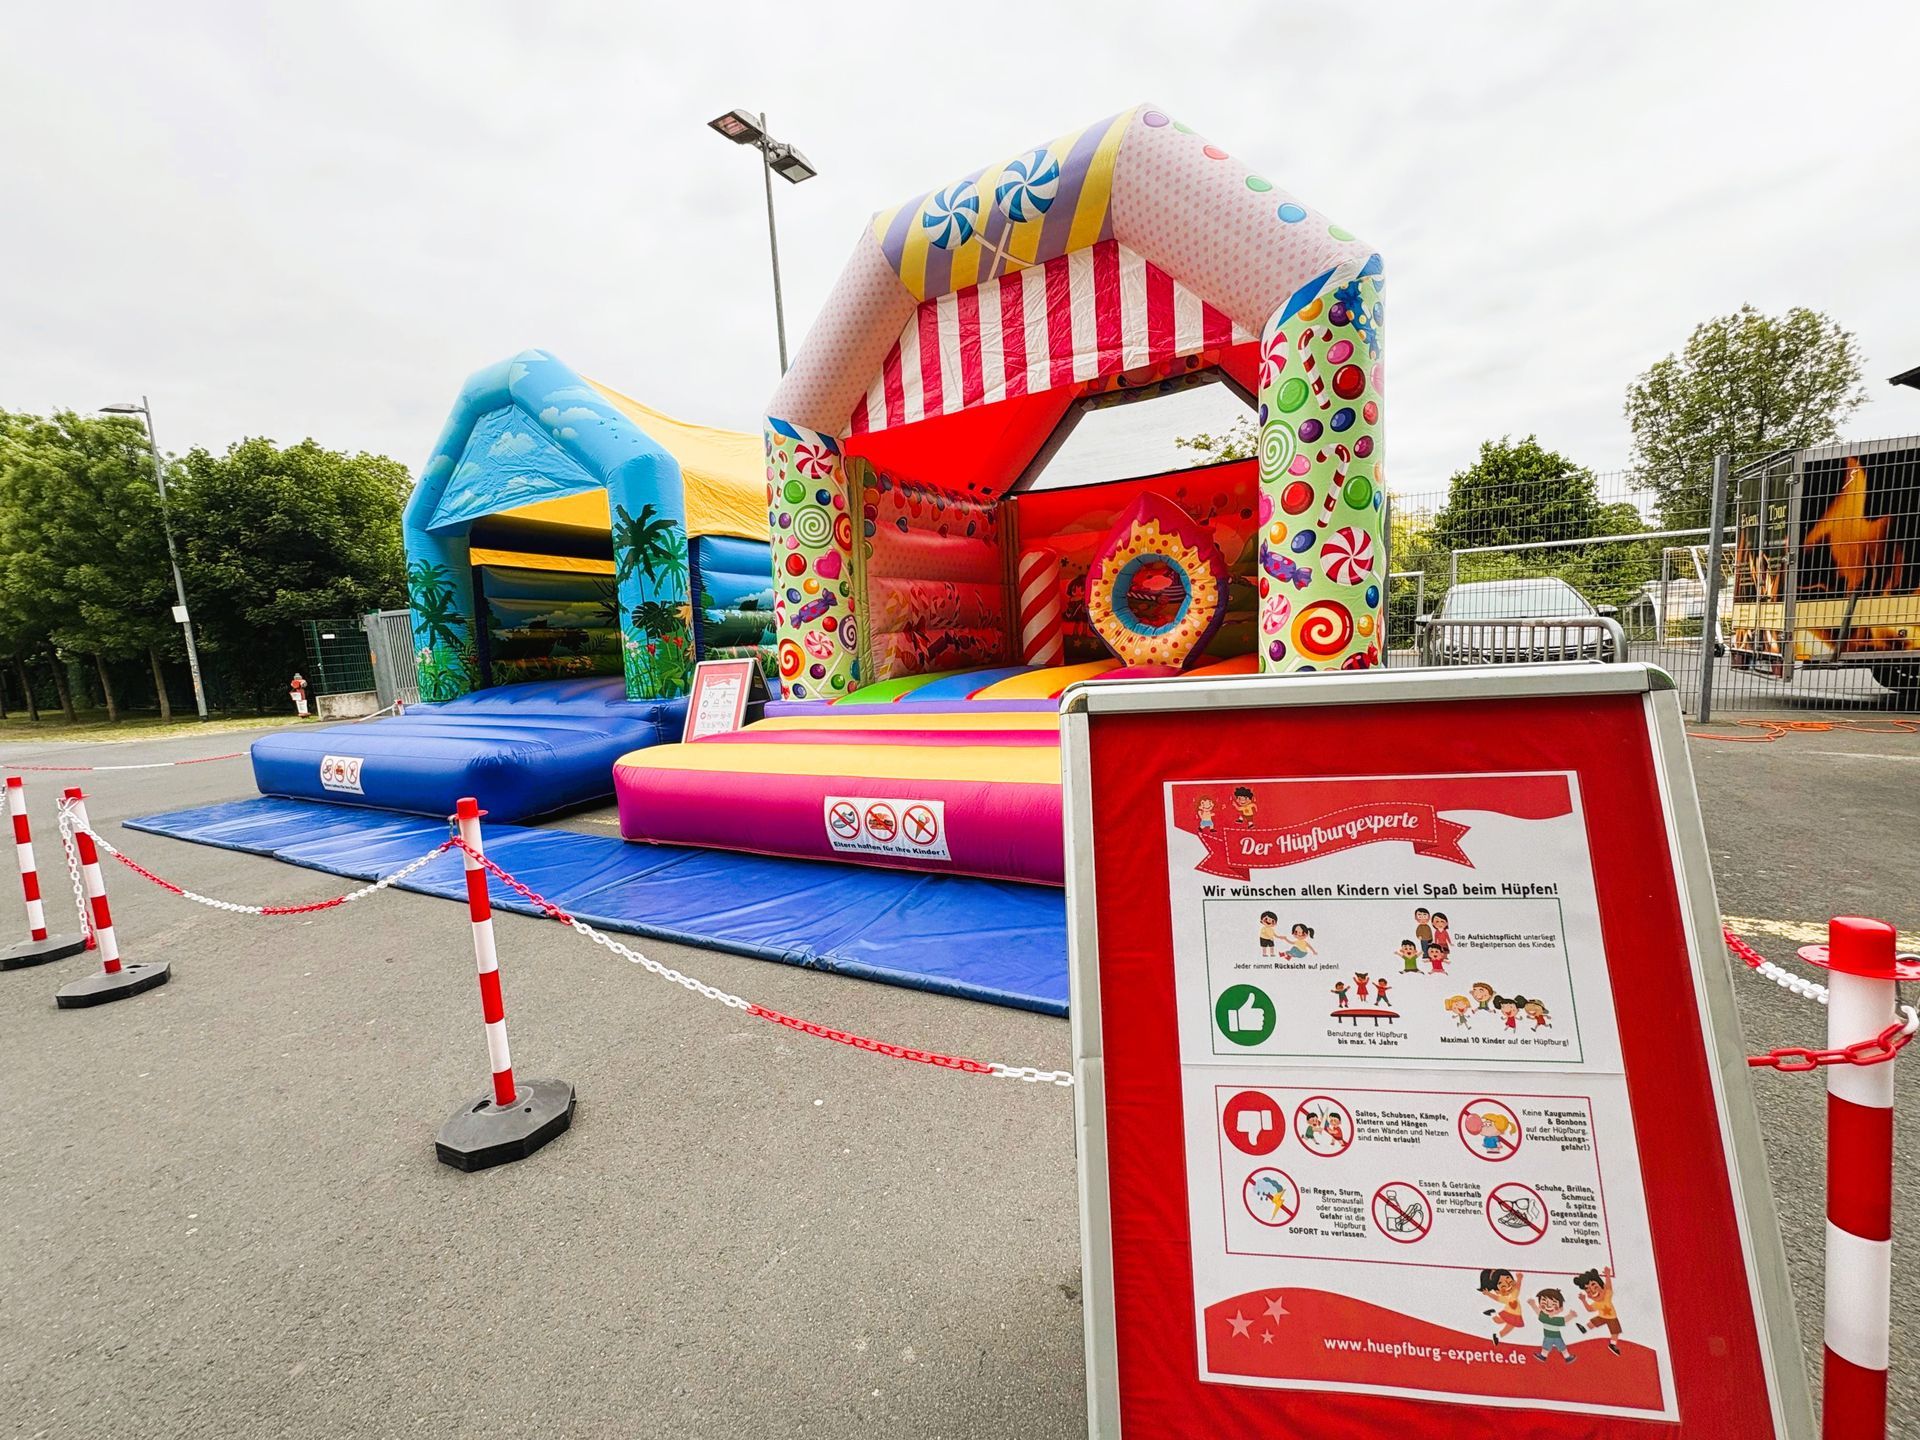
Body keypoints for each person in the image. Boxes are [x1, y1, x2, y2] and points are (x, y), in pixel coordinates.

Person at [1574, 1266, 1623, 1355]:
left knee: (1615, 1332)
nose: (1593, 1292)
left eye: (1595, 1287)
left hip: (1612, 1318)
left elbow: (1608, 1286)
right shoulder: (1596, 1304)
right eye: (1588, 1291)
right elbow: (1589, 1309)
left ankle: (1612, 1345)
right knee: (1593, 1323)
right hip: (1602, 1317)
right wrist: (1584, 1300)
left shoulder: (1607, 1295)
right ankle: (1584, 1328)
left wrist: (1607, 1275)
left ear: (1602, 1286)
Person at [1479, 1268, 1526, 1344]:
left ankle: (1497, 1332)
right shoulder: (1508, 1297)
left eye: (1509, 1279)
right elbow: (1497, 1298)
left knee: (1503, 1323)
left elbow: (1517, 1286)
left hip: (1514, 1314)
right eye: (1503, 1285)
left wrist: (1519, 1279)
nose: (1508, 1284)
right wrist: (1488, 1294)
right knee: (1504, 1323)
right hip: (1512, 1314)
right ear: (1498, 1291)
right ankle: (1497, 1331)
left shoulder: (1514, 1294)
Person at [1530, 1288, 1577, 1363]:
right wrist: (1533, 1305)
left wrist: (1571, 1315)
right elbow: (1538, 1312)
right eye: (1544, 1303)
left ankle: (1567, 1357)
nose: (1549, 1306)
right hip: (1548, 1336)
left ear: (1560, 1309)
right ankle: (1543, 1356)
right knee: (1546, 1347)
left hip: (1556, 1336)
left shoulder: (1556, 1320)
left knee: (1562, 1347)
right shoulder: (1544, 1317)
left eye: (1554, 1304)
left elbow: (1564, 1320)